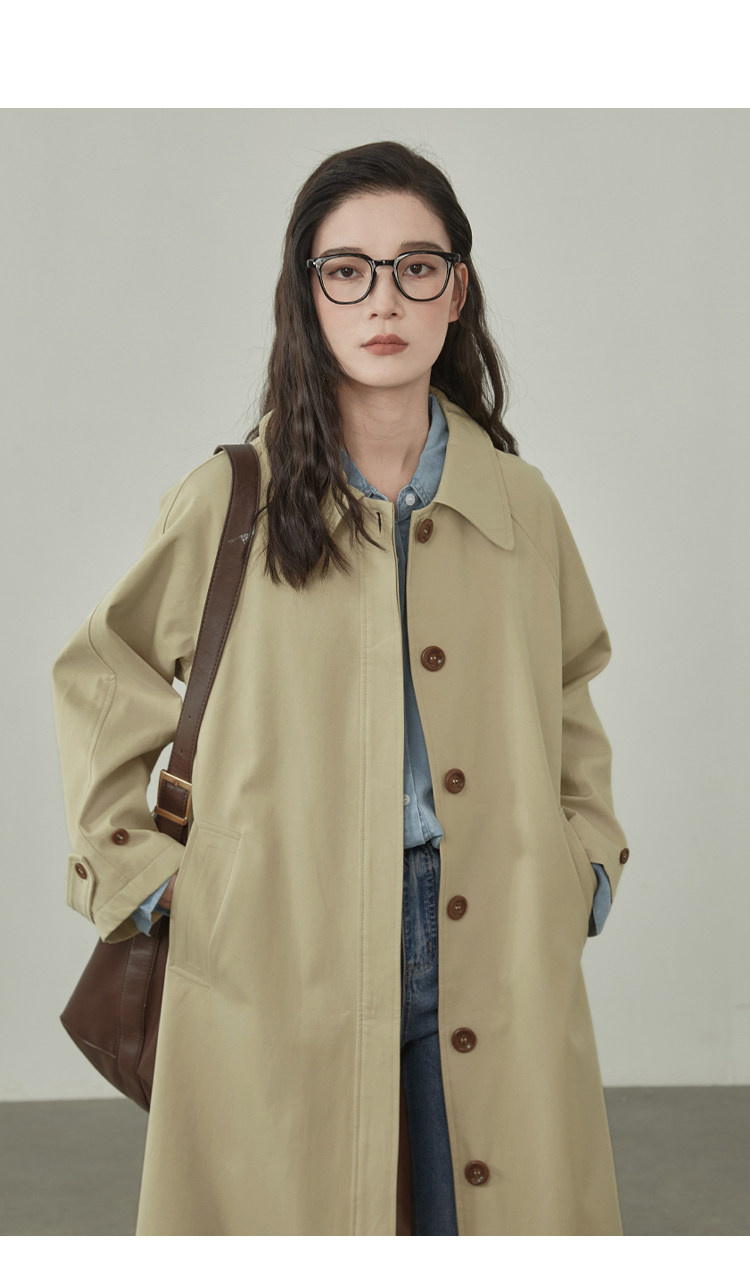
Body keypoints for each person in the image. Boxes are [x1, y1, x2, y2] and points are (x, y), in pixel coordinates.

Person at [52, 140, 631, 1236]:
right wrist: (154, 880)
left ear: (456, 291)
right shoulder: (233, 499)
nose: (385, 300)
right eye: (349, 270)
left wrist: (584, 862)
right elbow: (103, 672)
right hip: (281, 933)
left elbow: (570, 688)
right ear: (307, 294)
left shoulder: (522, 504)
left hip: (494, 928)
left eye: (417, 267)